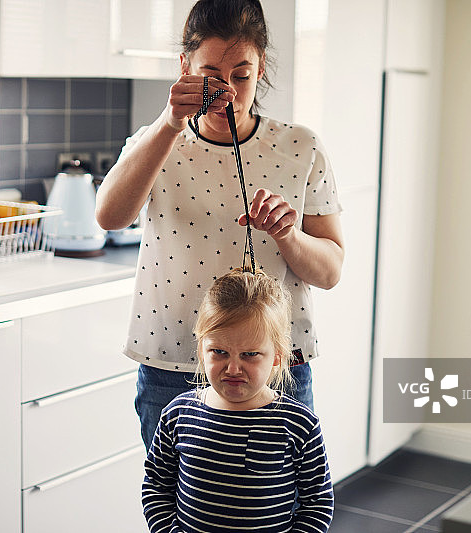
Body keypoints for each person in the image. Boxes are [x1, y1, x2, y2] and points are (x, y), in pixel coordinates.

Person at [95, 0, 345, 450]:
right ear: (184, 67)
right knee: (176, 494)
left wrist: (288, 235)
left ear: (261, 67)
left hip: (275, 367)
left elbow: (329, 273)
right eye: (211, 75)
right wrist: (169, 123)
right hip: (174, 365)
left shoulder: (301, 147)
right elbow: (109, 218)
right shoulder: (155, 142)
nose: (226, 91)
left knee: (275, 494)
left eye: (241, 76)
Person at [142, 269, 334, 532]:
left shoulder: (300, 424)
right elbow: (156, 488)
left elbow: (318, 503)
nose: (233, 368)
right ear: (202, 350)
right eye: (219, 352)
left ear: (277, 357)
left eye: (250, 354)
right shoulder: (176, 415)